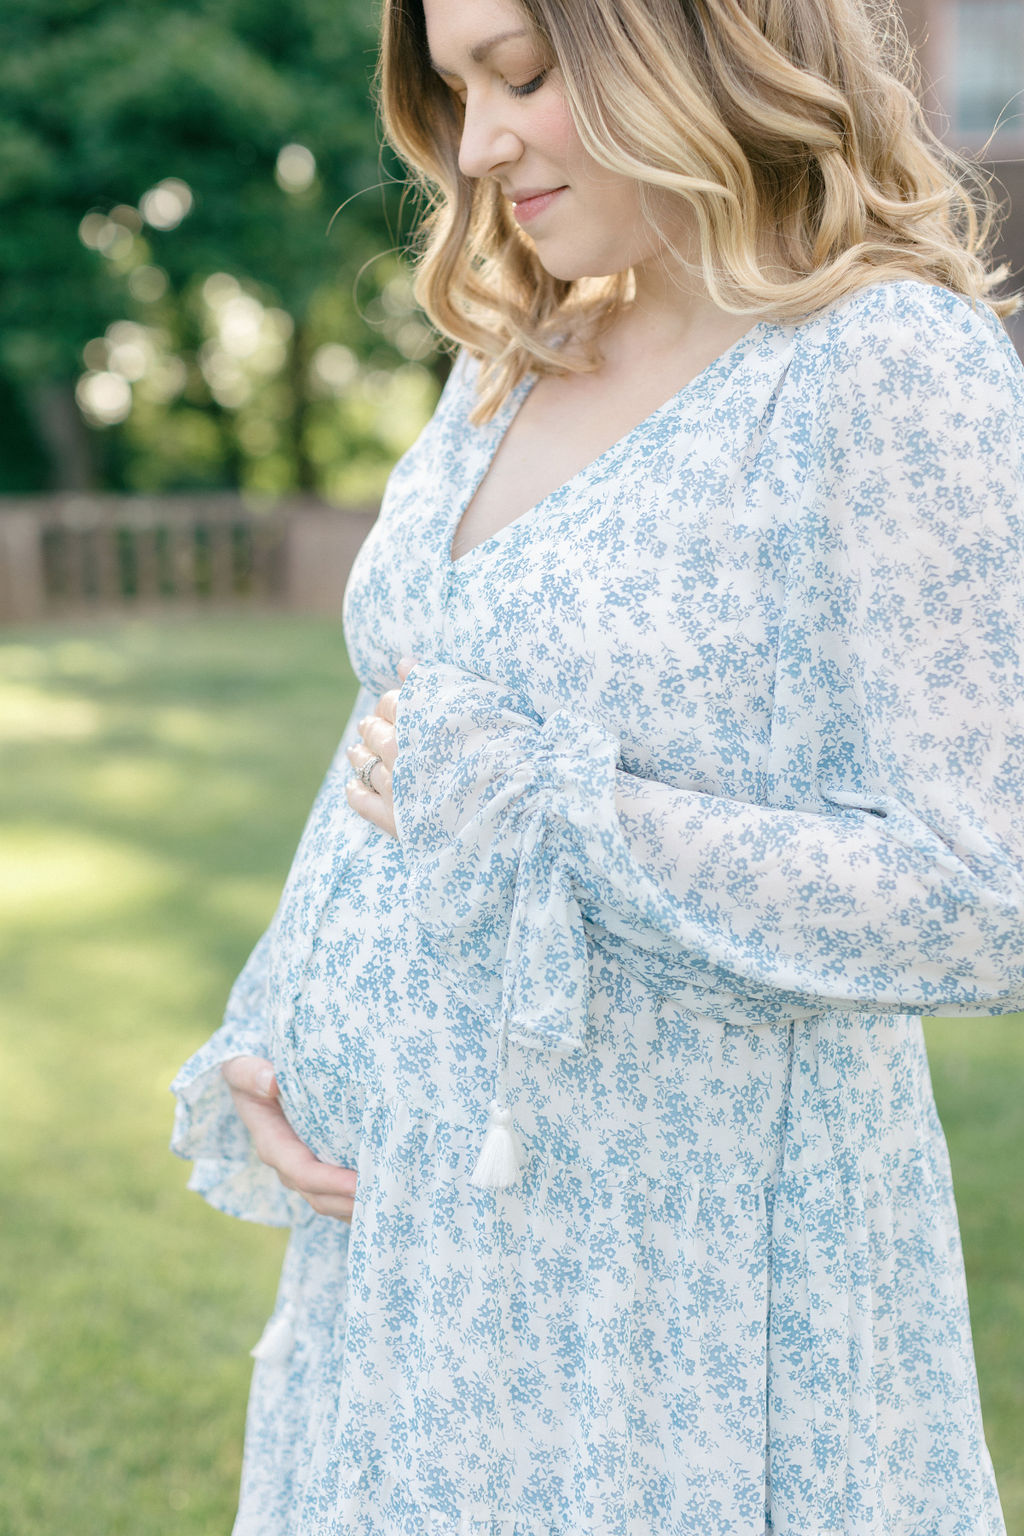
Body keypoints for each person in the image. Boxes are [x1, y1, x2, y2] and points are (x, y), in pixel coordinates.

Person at [170, 0, 1024, 1528]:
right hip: (423, 1250)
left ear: (707, 44)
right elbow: (411, 727)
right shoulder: (520, 345)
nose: (480, 145)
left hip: (667, 1287)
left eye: (524, 73)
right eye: (453, 89)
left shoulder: (884, 366)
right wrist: (283, 1013)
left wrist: (565, 809)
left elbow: (987, 893)